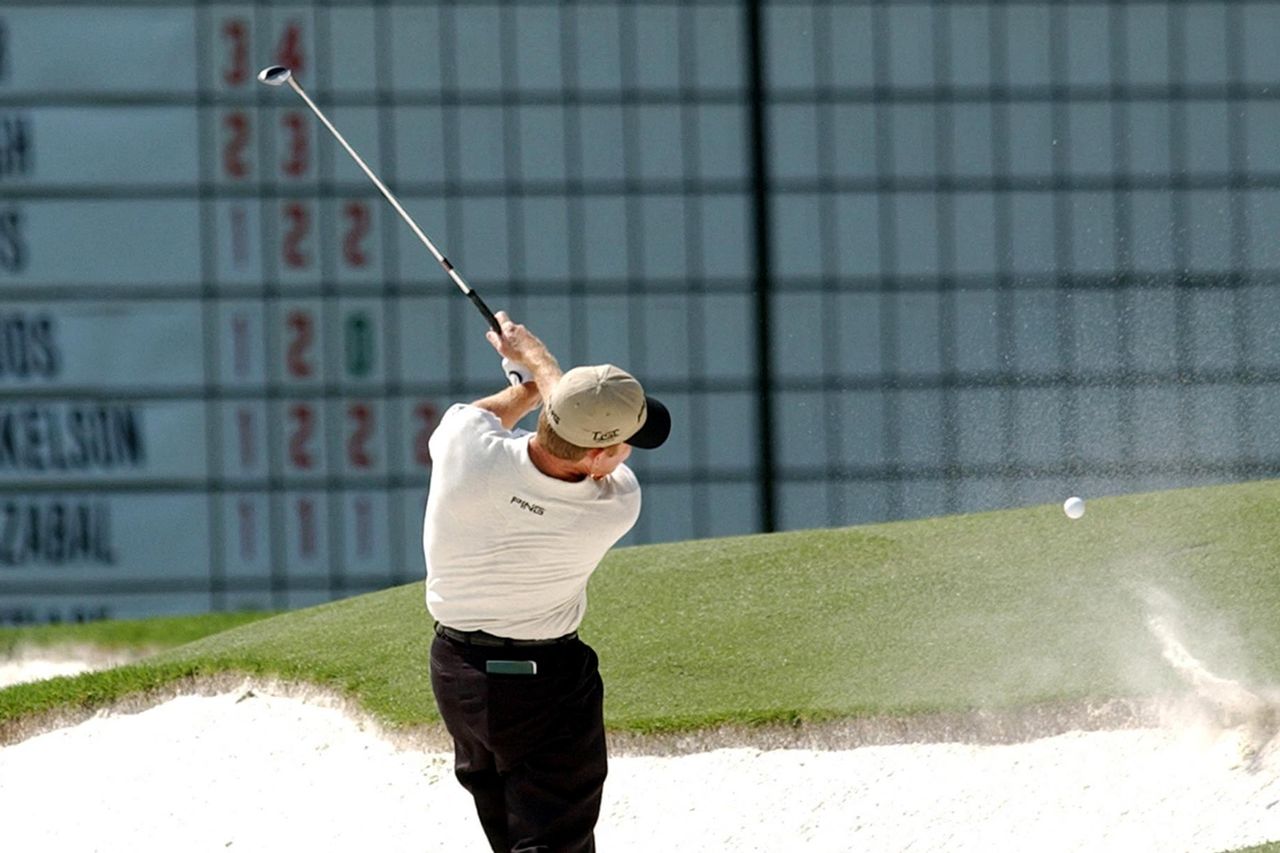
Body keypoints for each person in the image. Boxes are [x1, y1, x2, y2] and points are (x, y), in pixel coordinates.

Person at [423, 310, 670, 853]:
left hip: (457, 676)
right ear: (600, 458)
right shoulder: (614, 504)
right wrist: (539, 364)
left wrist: (534, 374)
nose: (628, 452)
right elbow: (568, 443)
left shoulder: (463, 445)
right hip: (546, 687)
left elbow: (493, 416)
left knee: (513, 838)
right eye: (625, 444)